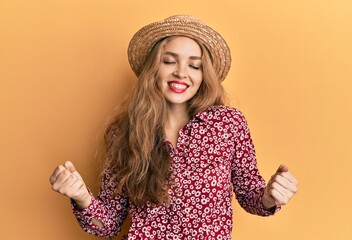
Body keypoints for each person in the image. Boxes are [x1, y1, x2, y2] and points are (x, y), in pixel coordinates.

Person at [49, 15, 298, 239]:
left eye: (194, 65)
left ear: (204, 75)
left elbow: (250, 196)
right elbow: (109, 225)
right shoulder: (124, 133)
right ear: (153, 69)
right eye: (169, 61)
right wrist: (81, 197)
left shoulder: (228, 124)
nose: (181, 73)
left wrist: (269, 197)